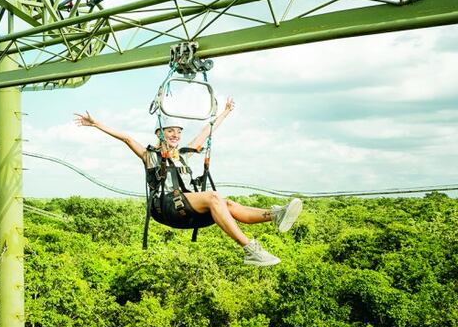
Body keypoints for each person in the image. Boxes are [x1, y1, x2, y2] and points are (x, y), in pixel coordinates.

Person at [75, 98, 303, 266]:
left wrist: (225, 112)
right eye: (170, 131)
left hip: (186, 207)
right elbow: (125, 138)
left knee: (229, 204)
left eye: (178, 132)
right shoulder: (150, 156)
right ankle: (250, 249)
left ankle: (275, 215)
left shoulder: (183, 154)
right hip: (166, 208)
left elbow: (206, 133)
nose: (175, 135)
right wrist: (96, 124)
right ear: (160, 134)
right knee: (214, 196)